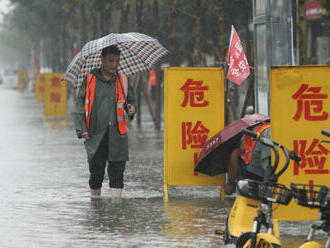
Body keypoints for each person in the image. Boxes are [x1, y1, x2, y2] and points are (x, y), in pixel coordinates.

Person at [73, 45, 137, 199]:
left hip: (118, 134)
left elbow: (132, 101)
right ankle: (96, 210)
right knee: (96, 175)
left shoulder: (124, 80)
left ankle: (115, 213)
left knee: (117, 175)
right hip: (95, 135)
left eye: (117, 61)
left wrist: (132, 110)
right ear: (102, 60)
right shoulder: (89, 79)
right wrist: (82, 129)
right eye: (110, 60)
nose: (114, 64)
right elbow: (79, 105)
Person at [224, 121, 271, 195]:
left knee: (248, 199)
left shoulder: (236, 135)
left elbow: (233, 160)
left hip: (253, 171)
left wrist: (231, 183)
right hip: (266, 168)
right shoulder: (267, 127)